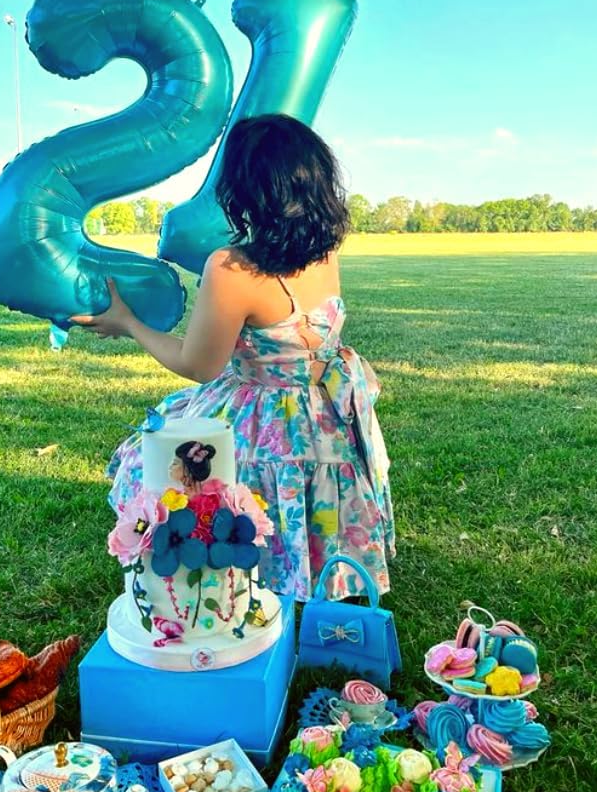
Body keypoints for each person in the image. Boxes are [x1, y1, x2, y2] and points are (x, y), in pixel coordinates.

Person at [71, 113, 394, 601]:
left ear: (244, 190)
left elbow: (199, 365)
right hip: (326, 414)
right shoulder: (326, 252)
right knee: (304, 479)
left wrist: (129, 323)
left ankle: (248, 572)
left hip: (265, 418)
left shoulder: (232, 268)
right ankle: (323, 568)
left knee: (161, 461)